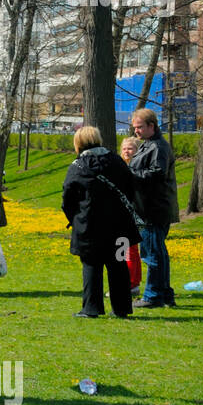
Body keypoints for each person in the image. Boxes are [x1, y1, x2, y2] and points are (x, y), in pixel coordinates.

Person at [61, 126, 139, 318]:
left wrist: (75, 219)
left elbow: (67, 198)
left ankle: (91, 307)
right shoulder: (117, 161)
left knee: (91, 266)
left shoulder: (78, 166)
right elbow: (131, 188)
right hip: (120, 225)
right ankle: (122, 308)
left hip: (89, 226)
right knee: (119, 265)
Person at [128, 107, 179, 308]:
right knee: (158, 252)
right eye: (134, 128)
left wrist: (129, 175)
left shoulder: (158, 147)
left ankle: (152, 296)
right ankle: (165, 293)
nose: (136, 131)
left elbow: (157, 173)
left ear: (152, 126)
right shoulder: (148, 145)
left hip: (153, 209)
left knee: (152, 253)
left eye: (139, 127)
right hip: (149, 207)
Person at [120, 136, 143, 296]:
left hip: (133, 215)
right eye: (124, 148)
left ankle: (131, 283)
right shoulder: (120, 167)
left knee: (130, 249)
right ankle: (129, 281)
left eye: (130, 148)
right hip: (121, 214)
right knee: (123, 249)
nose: (126, 151)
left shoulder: (137, 169)